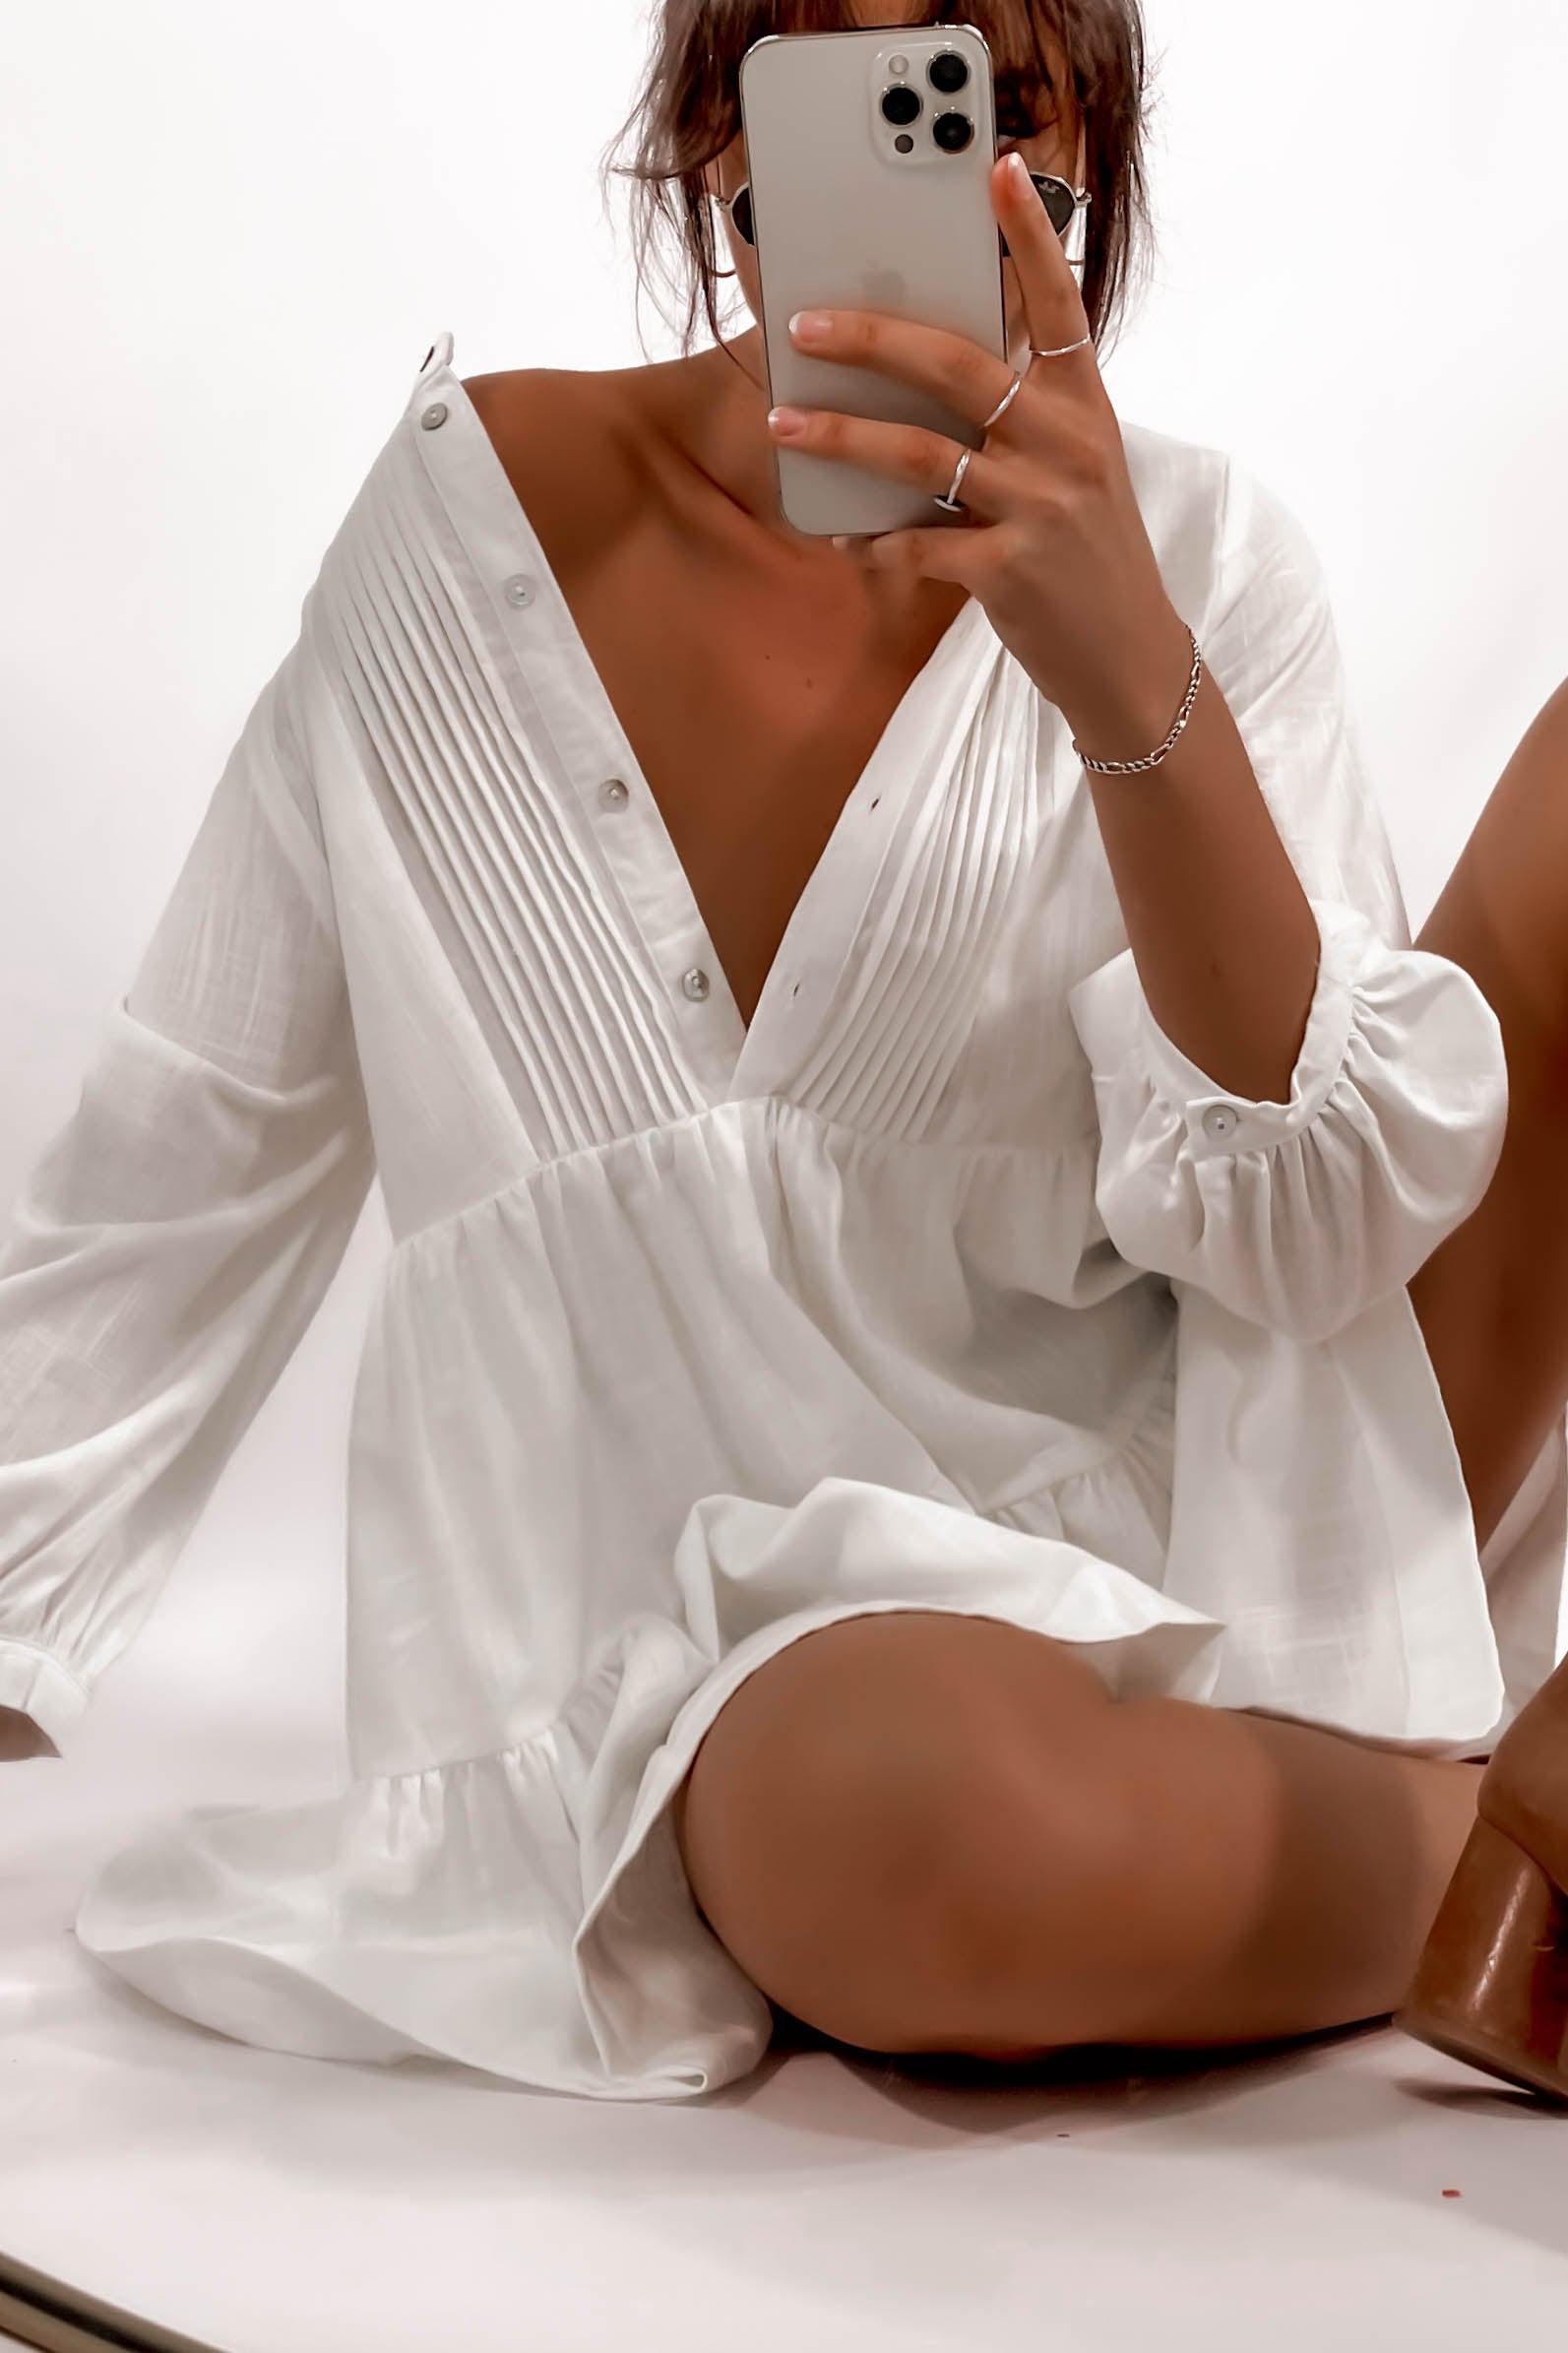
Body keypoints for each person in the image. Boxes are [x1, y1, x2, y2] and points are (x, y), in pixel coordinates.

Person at [1, 0, 1565, 2104]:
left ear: (1084, 150)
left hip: (1219, 1544)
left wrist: (1123, 672)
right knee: (884, 1813)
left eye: (998, 113)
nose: (938, 180)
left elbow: (1318, 1242)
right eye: (858, 96)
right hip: (801, 1727)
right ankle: (1486, 1837)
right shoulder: (457, 548)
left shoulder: (1195, 561)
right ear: (713, 130)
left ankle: (1346, 1828)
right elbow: (178, 1171)